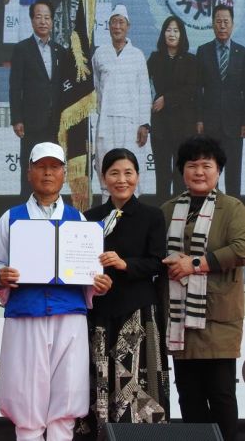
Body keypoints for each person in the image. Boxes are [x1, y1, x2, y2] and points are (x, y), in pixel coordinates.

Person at [0, 142, 112, 441]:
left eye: (55, 167)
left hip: (69, 316)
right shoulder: (11, 218)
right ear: (29, 172)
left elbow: (90, 274)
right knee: (26, 398)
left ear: (64, 174)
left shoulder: (79, 220)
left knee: (67, 396)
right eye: (41, 166)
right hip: (26, 314)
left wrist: (99, 283)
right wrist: (1, 275)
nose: (48, 173)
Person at [78, 148, 169, 438]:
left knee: (137, 384)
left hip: (138, 313)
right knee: (101, 380)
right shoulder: (89, 218)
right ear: (103, 178)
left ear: (138, 177)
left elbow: (157, 262)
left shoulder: (151, 216)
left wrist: (124, 264)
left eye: (128, 173)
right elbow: (79, 263)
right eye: (114, 173)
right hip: (101, 312)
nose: (121, 179)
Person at [161, 135, 245, 441]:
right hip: (180, 320)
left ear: (219, 170)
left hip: (219, 319)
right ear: (182, 170)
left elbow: (241, 248)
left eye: (206, 165)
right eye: (191, 165)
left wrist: (195, 264)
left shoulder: (232, 207)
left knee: (222, 396)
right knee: (189, 398)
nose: (199, 171)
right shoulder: (168, 209)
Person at [92, 5, 151, 201]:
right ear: (108, 26)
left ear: (128, 26)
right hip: (107, 121)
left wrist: (144, 124)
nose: (117, 27)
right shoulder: (100, 54)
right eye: (113, 22)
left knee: (130, 168)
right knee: (107, 166)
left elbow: (144, 91)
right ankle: (107, 218)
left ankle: (132, 218)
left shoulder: (137, 55)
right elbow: (97, 88)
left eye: (121, 22)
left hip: (131, 123)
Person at [9, 0, 65, 196]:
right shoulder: (22, 49)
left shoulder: (59, 51)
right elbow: (15, 87)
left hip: (55, 124)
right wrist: (17, 119)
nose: (43, 21)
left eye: (47, 17)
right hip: (31, 123)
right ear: (32, 20)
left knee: (53, 170)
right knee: (31, 169)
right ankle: (26, 215)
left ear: (52, 21)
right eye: (39, 17)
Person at [195, 4, 245, 198]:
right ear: (213, 25)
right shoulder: (203, 51)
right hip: (210, 123)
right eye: (218, 21)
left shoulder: (242, 53)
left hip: (234, 124)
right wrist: (199, 119)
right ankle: (208, 213)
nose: (222, 25)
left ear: (232, 25)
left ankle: (233, 215)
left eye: (226, 22)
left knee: (233, 173)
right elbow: (198, 89)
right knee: (209, 171)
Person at [147, 16, 197, 198]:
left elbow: (192, 90)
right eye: (168, 30)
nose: (172, 34)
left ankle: (179, 220)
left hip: (183, 126)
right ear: (163, 33)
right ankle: (161, 218)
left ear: (182, 34)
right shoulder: (154, 58)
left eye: (176, 30)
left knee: (179, 174)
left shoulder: (191, 60)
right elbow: (142, 85)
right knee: (162, 174)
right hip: (160, 125)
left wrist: (166, 99)